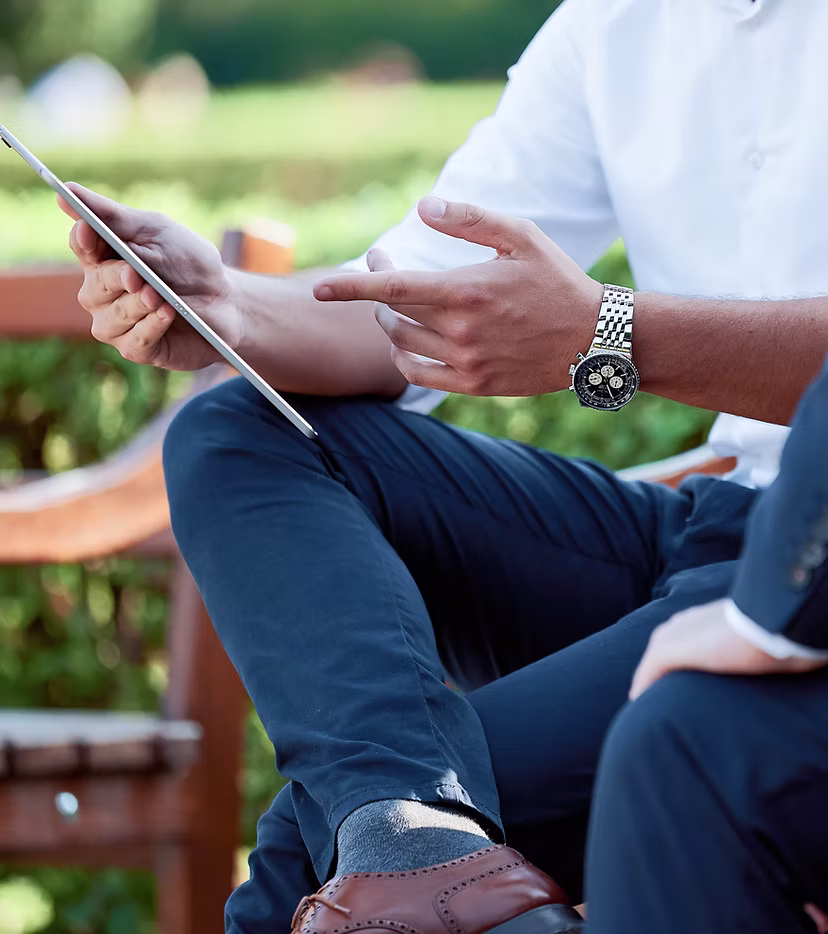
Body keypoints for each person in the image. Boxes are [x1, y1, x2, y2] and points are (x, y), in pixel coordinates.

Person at [59, 0, 828, 930]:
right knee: (233, 431)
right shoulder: (616, 22)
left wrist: (609, 333)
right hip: (707, 527)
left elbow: (598, 329)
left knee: (304, 872)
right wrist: (229, 306)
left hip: (804, 568)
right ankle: (415, 837)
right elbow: (418, 298)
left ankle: (410, 853)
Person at [585, 355, 828, 934]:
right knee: (340, 446)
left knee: (684, 738)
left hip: (771, 555)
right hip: (715, 508)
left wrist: (607, 331)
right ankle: (387, 826)